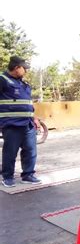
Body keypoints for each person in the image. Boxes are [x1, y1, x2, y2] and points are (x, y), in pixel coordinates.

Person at [0, 56, 42, 187]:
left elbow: (28, 104)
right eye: (25, 68)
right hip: (11, 124)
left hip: (27, 123)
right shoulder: (2, 80)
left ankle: (28, 175)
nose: (26, 71)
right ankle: (7, 177)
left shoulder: (23, 84)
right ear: (17, 68)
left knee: (30, 150)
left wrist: (34, 118)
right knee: (10, 152)